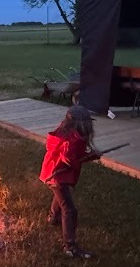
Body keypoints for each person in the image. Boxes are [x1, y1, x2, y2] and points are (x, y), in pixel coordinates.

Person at [38, 105, 101, 259]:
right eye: (86, 123)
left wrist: (87, 155)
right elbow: (70, 159)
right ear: (80, 123)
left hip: (52, 173)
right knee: (70, 210)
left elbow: (69, 156)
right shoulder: (73, 139)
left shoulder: (64, 133)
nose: (89, 126)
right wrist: (90, 156)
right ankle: (70, 246)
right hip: (57, 175)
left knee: (60, 195)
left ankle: (53, 218)